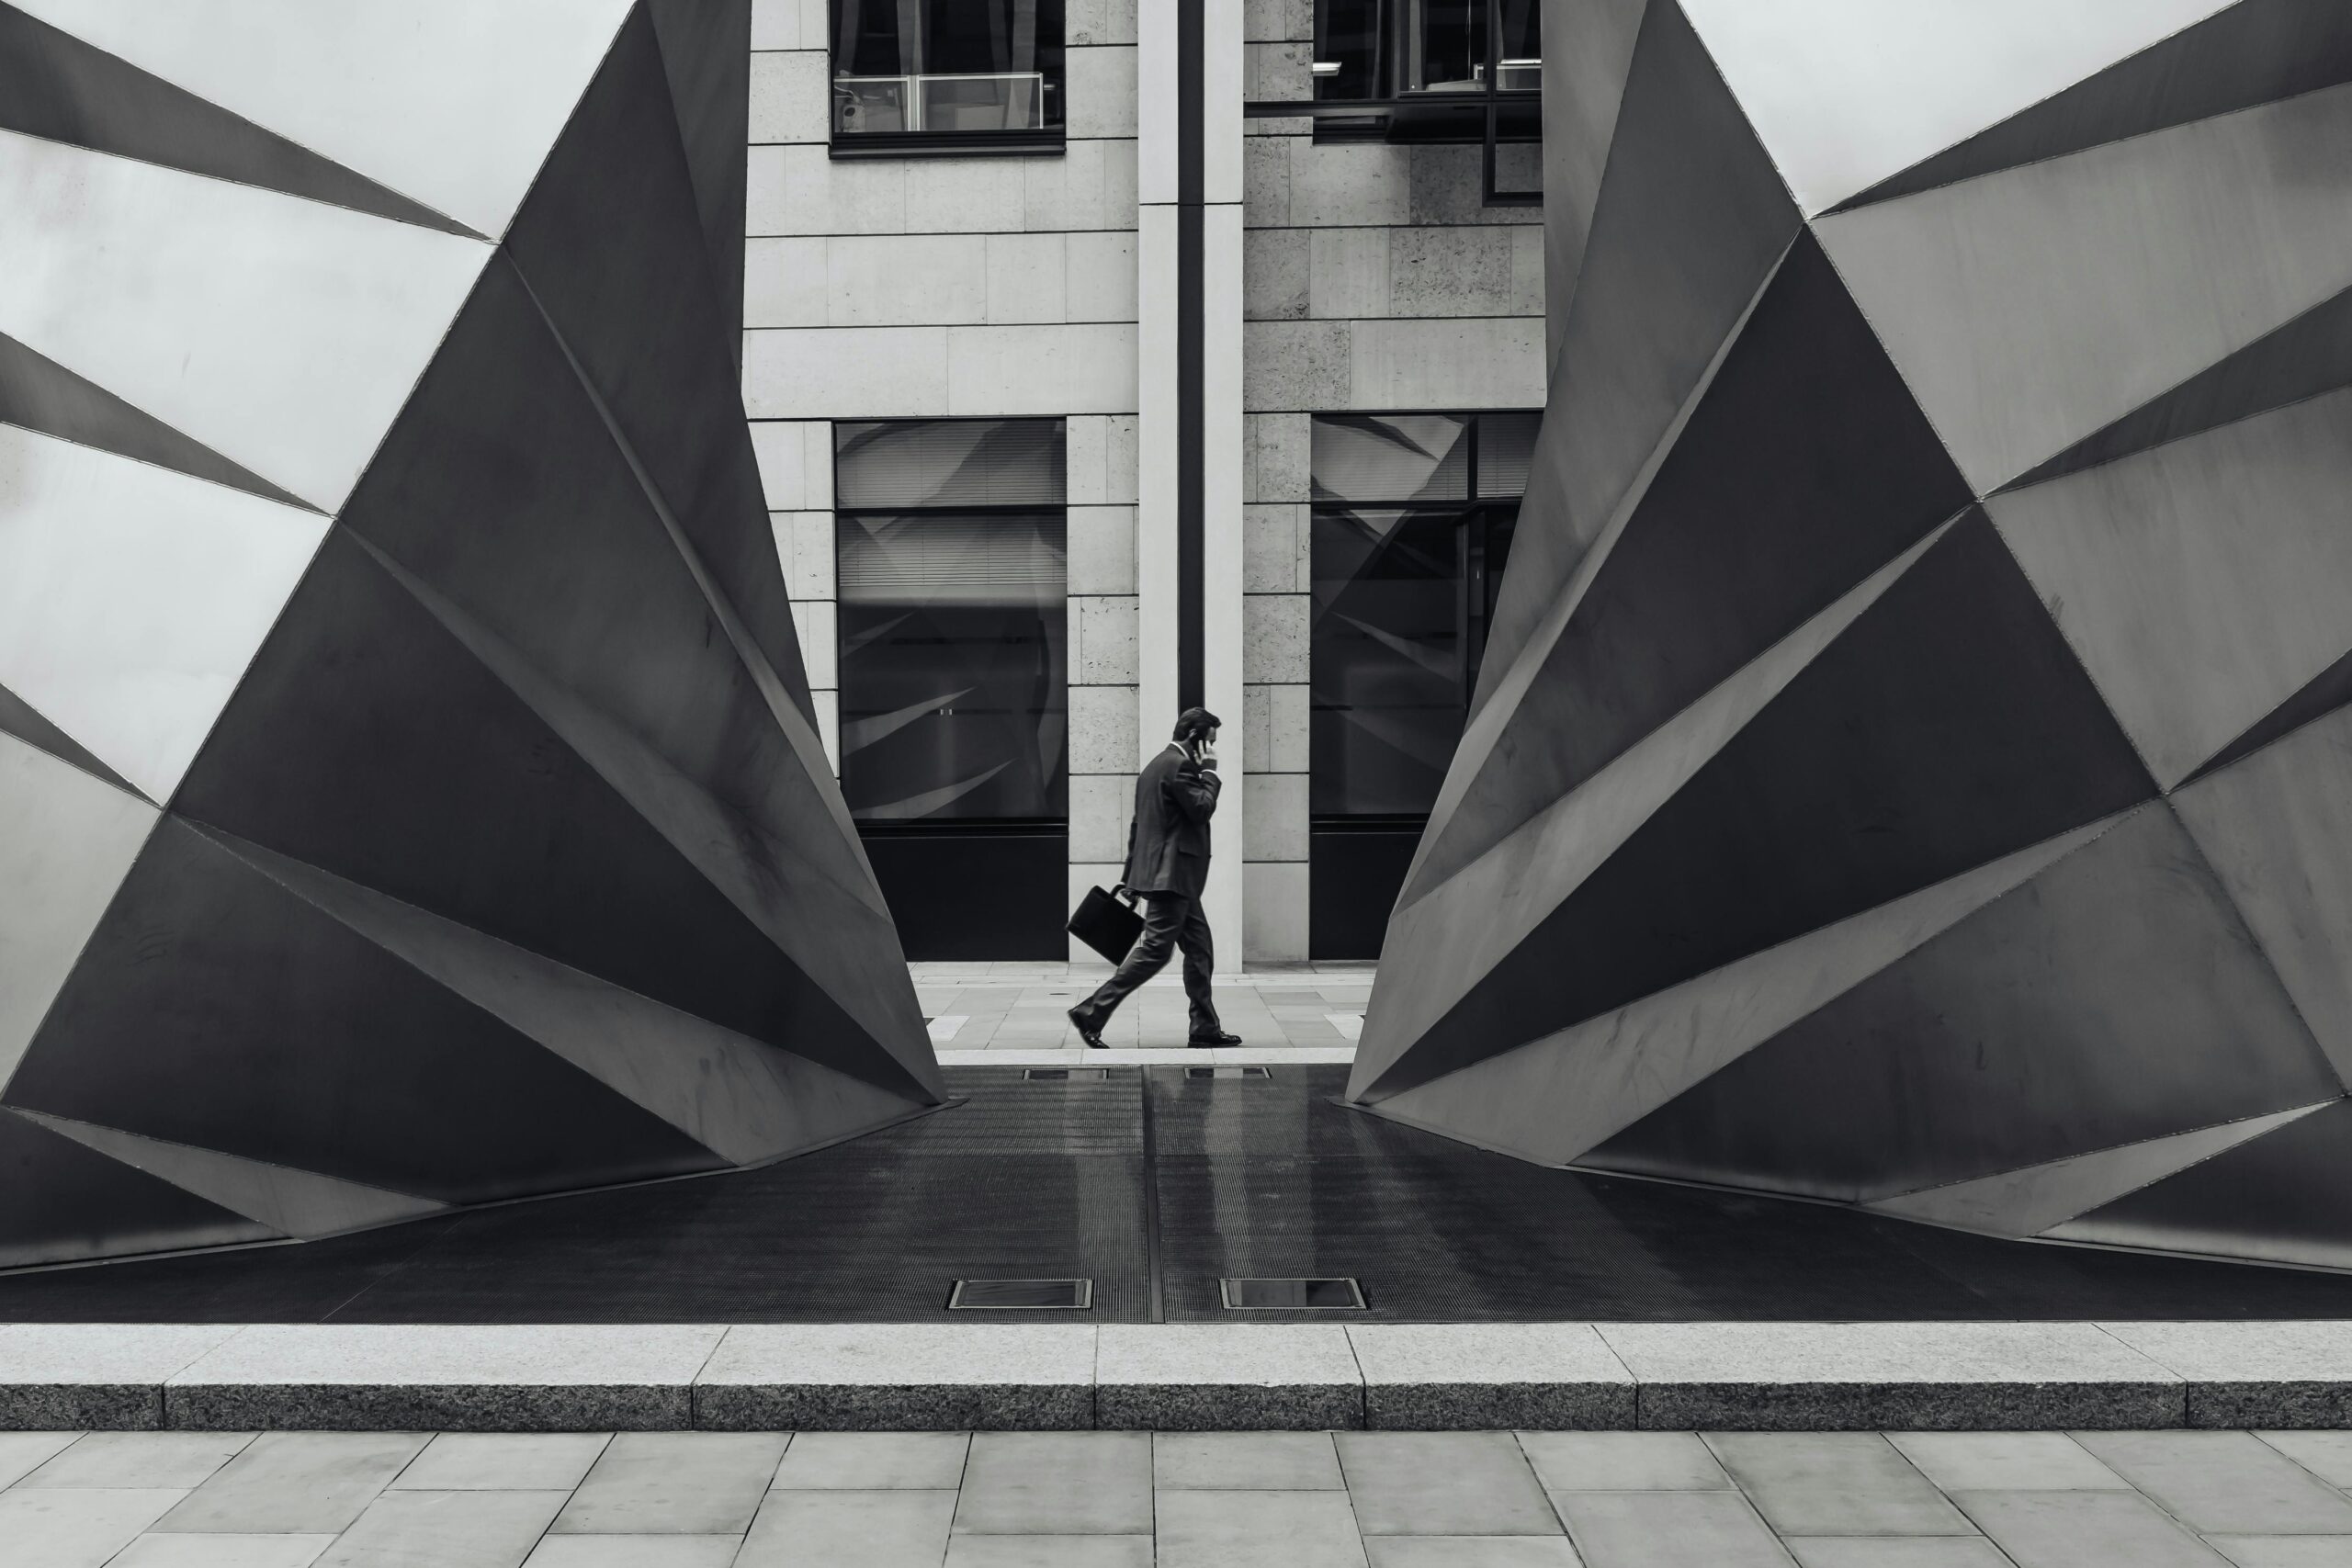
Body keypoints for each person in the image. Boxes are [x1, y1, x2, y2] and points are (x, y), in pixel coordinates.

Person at [1067, 706, 1242, 1048]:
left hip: (1173, 879)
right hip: (1172, 878)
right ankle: (1091, 1011)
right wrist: (1211, 773)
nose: (1212, 750)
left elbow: (1140, 827)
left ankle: (1204, 1028)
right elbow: (1202, 809)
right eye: (1210, 743)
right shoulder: (1180, 767)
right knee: (1155, 952)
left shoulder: (1154, 766)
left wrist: (1131, 877)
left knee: (1200, 951)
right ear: (1194, 738)